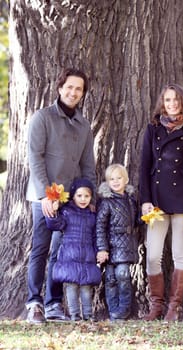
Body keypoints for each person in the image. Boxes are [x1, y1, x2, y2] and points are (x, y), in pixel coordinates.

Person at [26, 67, 96, 324]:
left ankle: (53, 303)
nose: (73, 92)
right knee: (41, 249)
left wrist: (91, 199)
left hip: (70, 200)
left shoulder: (84, 125)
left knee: (60, 251)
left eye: (79, 88)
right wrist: (46, 195)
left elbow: (88, 165)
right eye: (69, 87)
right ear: (59, 88)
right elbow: (35, 157)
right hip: (43, 196)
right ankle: (34, 303)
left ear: (83, 93)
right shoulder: (42, 118)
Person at [139, 83, 183, 322]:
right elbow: (144, 168)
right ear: (162, 104)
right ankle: (156, 305)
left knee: (180, 253)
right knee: (153, 255)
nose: (172, 104)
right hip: (156, 202)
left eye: (176, 99)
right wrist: (144, 200)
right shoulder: (152, 129)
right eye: (168, 100)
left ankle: (174, 307)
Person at [45, 178, 101, 321]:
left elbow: (95, 236)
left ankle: (88, 315)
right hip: (69, 256)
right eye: (79, 195)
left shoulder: (92, 215)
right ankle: (75, 315)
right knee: (71, 287)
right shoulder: (66, 212)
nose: (83, 199)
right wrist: (55, 212)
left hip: (87, 257)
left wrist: (97, 252)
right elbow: (55, 225)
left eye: (87, 196)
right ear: (73, 196)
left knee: (86, 288)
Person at [96, 164, 139, 321]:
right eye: (111, 179)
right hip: (109, 246)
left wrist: (147, 217)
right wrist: (102, 248)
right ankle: (113, 310)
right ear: (107, 182)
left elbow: (135, 221)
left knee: (123, 275)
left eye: (119, 178)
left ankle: (123, 309)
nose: (115, 181)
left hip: (125, 246)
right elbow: (100, 227)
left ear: (126, 179)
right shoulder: (106, 202)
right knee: (110, 279)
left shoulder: (131, 200)